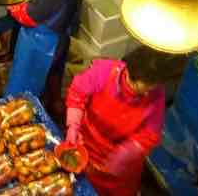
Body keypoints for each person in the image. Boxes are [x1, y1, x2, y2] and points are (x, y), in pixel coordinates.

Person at [63, 47, 183, 196]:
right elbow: (77, 93)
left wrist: (123, 156)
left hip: (116, 170)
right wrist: (73, 126)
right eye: (147, 85)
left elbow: (149, 136)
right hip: (84, 146)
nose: (149, 91)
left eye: (154, 86)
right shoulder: (104, 71)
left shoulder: (156, 98)